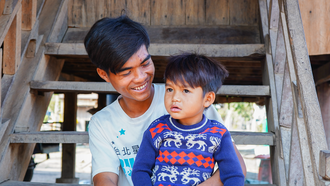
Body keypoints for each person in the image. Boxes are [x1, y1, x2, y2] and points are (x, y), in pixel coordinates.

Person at [84, 15, 246, 186]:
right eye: (126, 72)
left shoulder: (192, 101)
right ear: (104, 74)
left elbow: (236, 167)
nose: (140, 78)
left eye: (145, 63)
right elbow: (106, 179)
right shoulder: (102, 123)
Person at [131, 54, 245, 186]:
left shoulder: (218, 134)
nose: (175, 98)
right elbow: (140, 171)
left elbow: (234, 175)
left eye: (185, 90)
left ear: (207, 99)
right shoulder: (157, 129)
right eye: (170, 89)